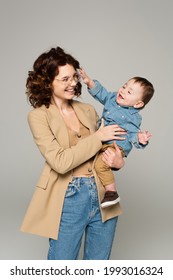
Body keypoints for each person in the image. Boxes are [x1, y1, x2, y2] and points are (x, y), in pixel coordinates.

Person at [20, 46, 127, 260]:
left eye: (74, 78)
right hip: (68, 196)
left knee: (99, 266)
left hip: (103, 193)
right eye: (65, 79)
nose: (73, 83)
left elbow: (107, 147)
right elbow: (60, 162)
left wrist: (118, 160)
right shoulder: (38, 116)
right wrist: (98, 137)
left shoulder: (87, 109)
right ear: (48, 81)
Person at [80, 68, 154, 208]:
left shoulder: (134, 117)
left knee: (100, 164)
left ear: (138, 104)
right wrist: (89, 82)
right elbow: (102, 93)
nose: (123, 91)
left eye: (129, 92)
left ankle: (111, 192)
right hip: (102, 139)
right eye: (124, 86)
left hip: (116, 145)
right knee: (88, 154)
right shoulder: (113, 98)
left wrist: (140, 138)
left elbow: (132, 133)